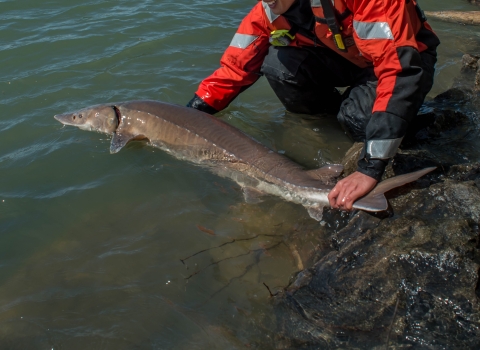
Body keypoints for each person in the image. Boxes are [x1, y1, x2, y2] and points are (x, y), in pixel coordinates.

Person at [186, 0, 440, 211]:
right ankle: (338, 126)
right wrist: (189, 115)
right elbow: (234, 69)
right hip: (348, 59)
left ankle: (399, 127)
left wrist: (370, 168)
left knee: (357, 119)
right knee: (278, 64)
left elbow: (399, 71)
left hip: (408, 59)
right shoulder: (266, 11)